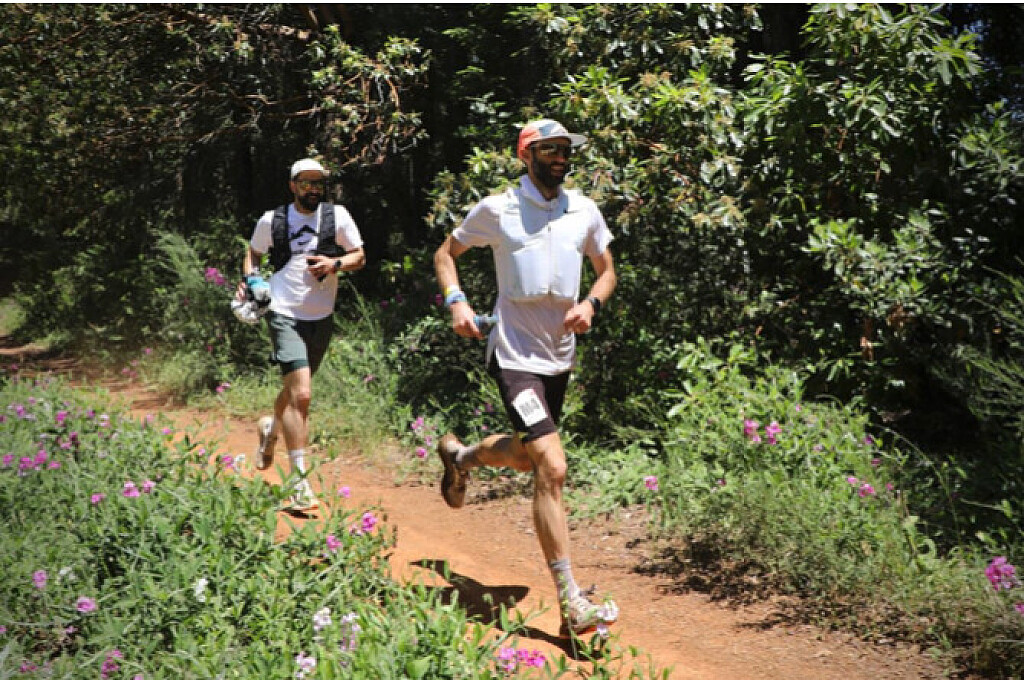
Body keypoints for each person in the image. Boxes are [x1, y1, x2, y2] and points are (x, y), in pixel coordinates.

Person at [432, 119, 619, 636]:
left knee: (524, 456)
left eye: (565, 150)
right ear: (526, 155)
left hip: (559, 358)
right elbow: (445, 254)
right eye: (549, 149)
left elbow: (607, 271)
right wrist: (456, 302)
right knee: (552, 467)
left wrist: (591, 304)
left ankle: (462, 458)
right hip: (514, 356)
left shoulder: (584, 210)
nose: (560, 157)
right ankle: (571, 602)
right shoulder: (498, 209)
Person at [237, 158, 365, 511]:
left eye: (318, 183)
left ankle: (271, 431)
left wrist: (334, 264)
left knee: (295, 393)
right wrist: (251, 279)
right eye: (306, 183)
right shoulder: (272, 220)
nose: (313, 189)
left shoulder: (337, 217)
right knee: (303, 394)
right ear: (292, 185)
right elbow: (253, 254)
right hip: (283, 312)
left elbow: (359, 256)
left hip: (321, 315)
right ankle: (298, 482)